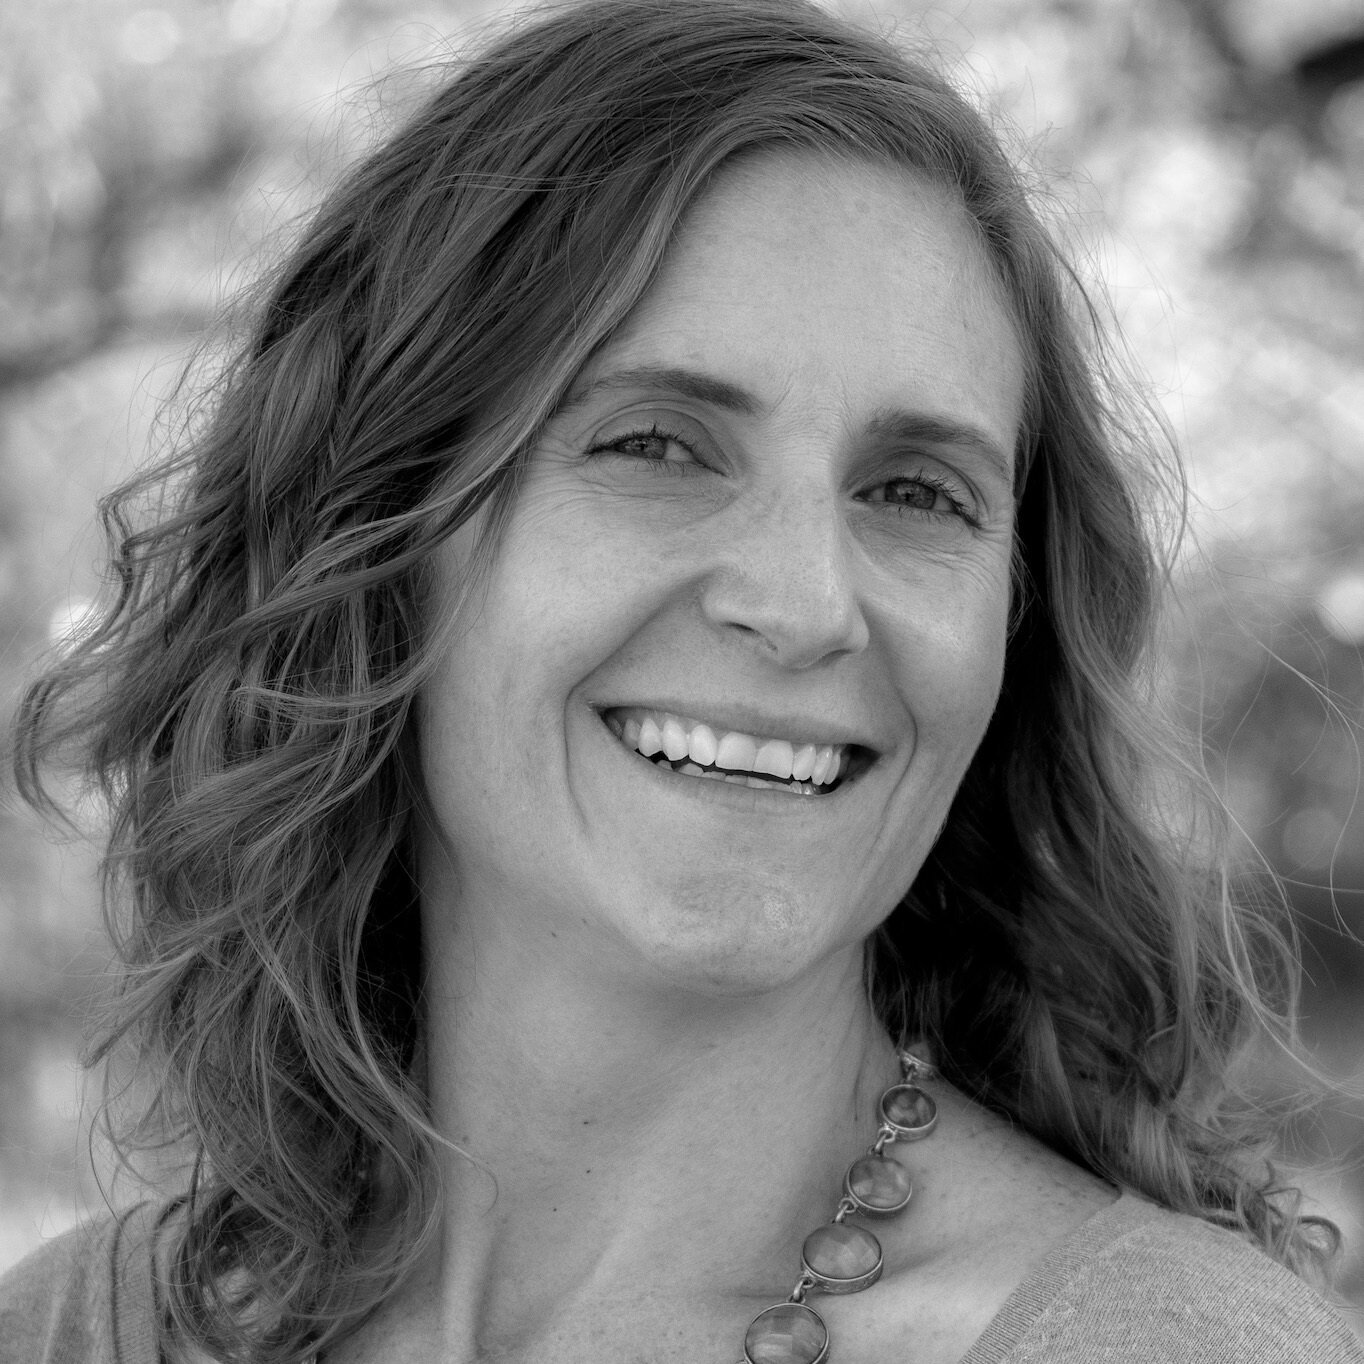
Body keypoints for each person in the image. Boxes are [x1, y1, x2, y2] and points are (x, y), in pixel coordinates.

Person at [2, 0, 1361, 1361]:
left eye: (914, 491)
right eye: (658, 445)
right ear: (375, 533)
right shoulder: (72, 1329)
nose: (805, 606)